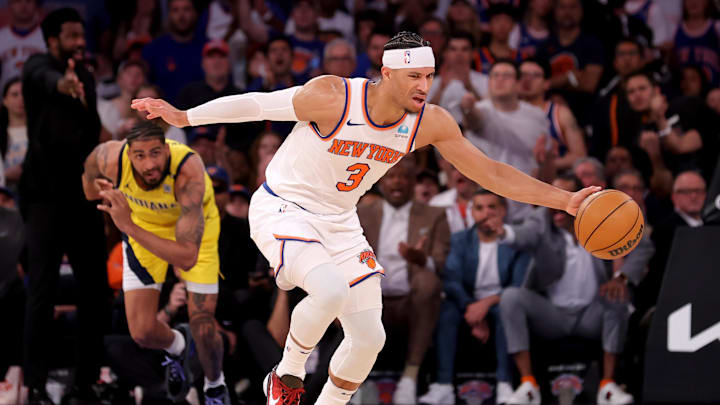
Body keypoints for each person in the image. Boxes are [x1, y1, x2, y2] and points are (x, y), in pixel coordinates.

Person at [131, 31, 600, 405]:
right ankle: (287, 374)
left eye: (430, 76)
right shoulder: (333, 96)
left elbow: (491, 172)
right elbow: (257, 104)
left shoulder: (429, 122)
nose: (424, 86)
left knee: (369, 338)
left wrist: (565, 201)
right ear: (388, 74)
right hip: (282, 207)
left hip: (339, 221)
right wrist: (184, 117)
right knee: (329, 291)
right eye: (415, 76)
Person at [80, 122, 230, 404]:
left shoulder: (188, 170)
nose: (149, 163)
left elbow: (187, 256)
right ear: (127, 153)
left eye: (155, 153)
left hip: (195, 234)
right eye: (140, 156)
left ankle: (215, 385)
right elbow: (88, 184)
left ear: (165, 149)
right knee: (142, 333)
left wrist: (128, 226)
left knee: (204, 325)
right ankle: (178, 346)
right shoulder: (109, 158)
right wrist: (99, 189)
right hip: (142, 225)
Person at [21, 8, 110, 405]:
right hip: (44, 199)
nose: (79, 42)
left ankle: (85, 382)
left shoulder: (87, 77)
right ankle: (36, 385)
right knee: (41, 290)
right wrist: (62, 83)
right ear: (52, 39)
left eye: (82, 35)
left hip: (82, 198)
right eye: (71, 35)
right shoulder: (37, 69)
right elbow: (45, 76)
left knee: (95, 291)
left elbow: (91, 132)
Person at [500, 175, 653, 405]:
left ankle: (607, 386)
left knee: (618, 297)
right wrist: (504, 233)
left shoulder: (600, 219)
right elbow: (524, 235)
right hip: (551, 315)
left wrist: (621, 278)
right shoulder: (542, 220)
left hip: (591, 315)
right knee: (511, 297)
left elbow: (643, 244)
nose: (557, 205)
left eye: (564, 197)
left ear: (581, 199)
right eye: (553, 198)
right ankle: (528, 384)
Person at [420, 190, 531, 405]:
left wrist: (485, 305)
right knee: (446, 312)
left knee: (507, 312)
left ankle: (504, 385)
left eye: (492, 207)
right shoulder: (460, 240)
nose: (485, 213)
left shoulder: (516, 241)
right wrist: (471, 308)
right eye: (479, 208)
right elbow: (452, 280)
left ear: (503, 210)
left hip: (501, 301)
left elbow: (518, 286)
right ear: (471, 212)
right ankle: (443, 386)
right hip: (467, 301)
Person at [357, 159, 450, 405]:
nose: (397, 181)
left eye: (404, 176)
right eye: (391, 176)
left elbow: (441, 262)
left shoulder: (435, 215)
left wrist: (421, 259)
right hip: (372, 300)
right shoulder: (361, 214)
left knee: (429, 280)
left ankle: (410, 378)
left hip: (413, 301)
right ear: (380, 181)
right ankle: (355, 381)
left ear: (413, 182)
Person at [461, 60, 549, 223]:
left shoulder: (536, 116)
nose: (500, 80)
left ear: (518, 83)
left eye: (506, 76)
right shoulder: (481, 109)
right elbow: (473, 120)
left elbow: (545, 158)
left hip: (525, 205)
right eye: (495, 75)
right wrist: (467, 108)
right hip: (485, 205)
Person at [518, 58, 587, 170]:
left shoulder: (560, 113)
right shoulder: (502, 112)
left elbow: (579, 156)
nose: (527, 79)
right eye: (523, 74)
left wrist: (544, 165)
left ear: (546, 84)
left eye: (535, 75)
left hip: (550, 181)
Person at [141, 0, 205, 103]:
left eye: (186, 9)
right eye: (175, 10)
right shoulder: (153, 49)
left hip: (199, 114)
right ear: (169, 15)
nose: (181, 16)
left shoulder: (207, 49)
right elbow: (145, 88)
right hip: (162, 115)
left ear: (195, 13)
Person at [428, 31, 488, 123]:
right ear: (445, 53)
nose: (459, 54)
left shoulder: (485, 81)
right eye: (453, 49)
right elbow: (424, 115)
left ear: (473, 54)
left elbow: (490, 114)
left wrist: (469, 87)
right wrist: (441, 88)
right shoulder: (432, 82)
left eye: (464, 49)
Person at [97, 60, 147, 139]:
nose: (134, 77)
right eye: (129, 73)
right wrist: (119, 133)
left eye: (138, 74)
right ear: (119, 78)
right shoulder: (104, 107)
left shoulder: (144, 110)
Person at [0, 0, 45, 87]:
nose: (23, 6)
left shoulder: (47, 37)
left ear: (36, 4)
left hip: (40, 97)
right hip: (6, 97)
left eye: (28, 1)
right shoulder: (1, 37)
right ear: (10, 4)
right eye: (18, 1)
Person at [0, 78, 27, 190]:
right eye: (14, 94)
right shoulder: (1, 134)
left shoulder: (41, 131)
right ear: (5, 100)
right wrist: (5, 175)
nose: (21, 98)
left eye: (24, 94)